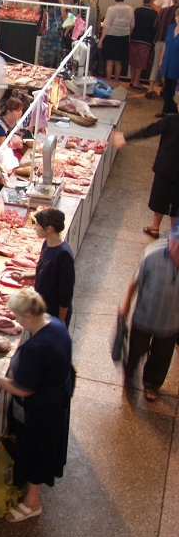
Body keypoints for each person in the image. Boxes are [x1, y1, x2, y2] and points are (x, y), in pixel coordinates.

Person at [0, 288, 73, 521]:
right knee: (43, 447)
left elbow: (24, 388)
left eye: (17, 316)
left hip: (41, 408)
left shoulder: (37, 348)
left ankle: (32, 502)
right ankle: (31, 490)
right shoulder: (54, 324)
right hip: (57, 397)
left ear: (30, 316)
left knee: (37, 450)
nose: (15, 320)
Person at [120, 224, 179, 402]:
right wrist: (126, 303)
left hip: (171, 321)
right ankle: (129, 376)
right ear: (170, 240)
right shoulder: (152, 255)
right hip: (144, 315)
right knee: (136, 350)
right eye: (175, 244)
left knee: (161, 357)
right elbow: (135, 281)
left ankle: (151, 384)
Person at [113, 115, 179, 239]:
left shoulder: (172, 119)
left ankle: (155, 228)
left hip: (165, 167)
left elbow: (150, 130)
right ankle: (174, 234)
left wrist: (125, 137)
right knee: (177, 202)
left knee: (160, 197)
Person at [34, 208, 75, 325]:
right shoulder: (47, 243)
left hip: (54, 314)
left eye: (37, 225)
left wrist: (61, 319)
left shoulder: (63, 254)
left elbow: (66, 291)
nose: (34, 228)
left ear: (49, 229)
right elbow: (48, 272)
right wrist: (28, 276)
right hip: (42, 308)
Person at [0, 96, 25, 199]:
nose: (20, 113)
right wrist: (15, 142)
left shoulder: (20, 122)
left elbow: (28, 139)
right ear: (8, 111)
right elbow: (2, 146)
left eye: (21, 110)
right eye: (17, 111)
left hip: (14, 156)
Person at [98, 0, 134, 82]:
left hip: (111, 37)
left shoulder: (111, 9)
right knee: (119, 62)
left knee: (109, 62)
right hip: (124, 37)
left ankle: (109, 81)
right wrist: (129, 36)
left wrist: (101, 40)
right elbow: (132, 25)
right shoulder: (130, 9)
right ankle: (117, 81)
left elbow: (106, 26)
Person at [148, 0, 179, 95]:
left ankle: (151, 88)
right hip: (172, 43)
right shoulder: (177, 14)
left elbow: (155, 24)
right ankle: (163, 88)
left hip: (159, 39)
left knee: (156, 64)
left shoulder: (163, 10)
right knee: (169, 66)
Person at [128, 0, 158, 89]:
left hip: (134, 38)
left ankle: (132, 81)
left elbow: (132, 24)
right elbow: (154, 28)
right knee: (140, 62)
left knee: (133, 61)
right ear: (152, 1)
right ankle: (137, 82)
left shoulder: (136, 10)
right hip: (145, 41)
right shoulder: (154, 14)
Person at [37, 0, 67, 68]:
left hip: (47, 28)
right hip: (57, 28)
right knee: (56, 50)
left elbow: (36, 10)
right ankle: (54, 68)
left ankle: (45, 68)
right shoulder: (59, 0)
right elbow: (63, 15)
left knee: (46, 48)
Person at [158, 5, 179, 116]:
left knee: (174, 89)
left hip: (176, 62)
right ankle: (165, 110)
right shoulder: (171, 27)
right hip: (167, 60)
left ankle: (172, 112)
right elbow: (166, 44)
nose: (178, 18)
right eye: (177, 16)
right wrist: (161, 60)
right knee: (167, 87)